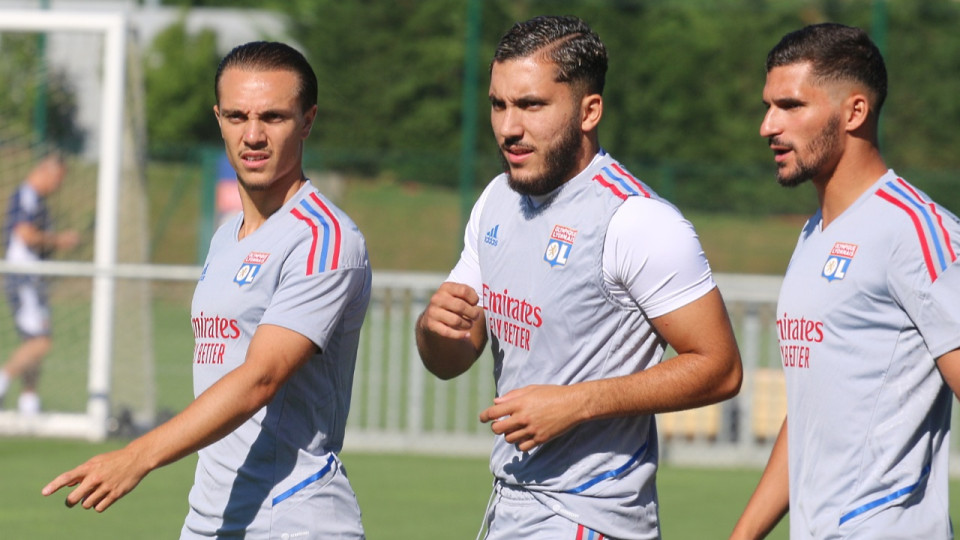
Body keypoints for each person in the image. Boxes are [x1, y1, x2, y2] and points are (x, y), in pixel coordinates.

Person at [415, 15, 742, 540]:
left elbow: (720, 368)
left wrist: (576, 402)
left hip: (589, 517)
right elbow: (450, 360)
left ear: (589, 111)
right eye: (499, 104)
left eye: (531, 105)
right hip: (508, 507)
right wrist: (433, 329)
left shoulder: (637, 220)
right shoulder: (496, 199)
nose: (508, 127)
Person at [42, 41, 371, 539]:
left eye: (274, 117)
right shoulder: (226, 236)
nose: (253, 135)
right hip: (212, 519)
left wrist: (137, 456)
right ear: (218, 118)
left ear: (307, 121)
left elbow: (261, 378)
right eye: (237, 116)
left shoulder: (323, 238)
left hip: (291, 519)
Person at [730, 23, 960, 540]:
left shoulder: (917, 231)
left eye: (790, 106)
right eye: (768, 106)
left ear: (854, 112)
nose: (768, 125)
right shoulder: (814, 234)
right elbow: (813, 414)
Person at [0, 153, 79, 415]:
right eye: (57, 179)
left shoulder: (35, 199)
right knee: (41, 342)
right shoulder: (27, 195)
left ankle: (28, 400)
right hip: (24, 277)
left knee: (33, 339)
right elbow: (24, 234)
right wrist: (59, 241)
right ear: (46, 172)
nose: (57, 186)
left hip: (33, 278)